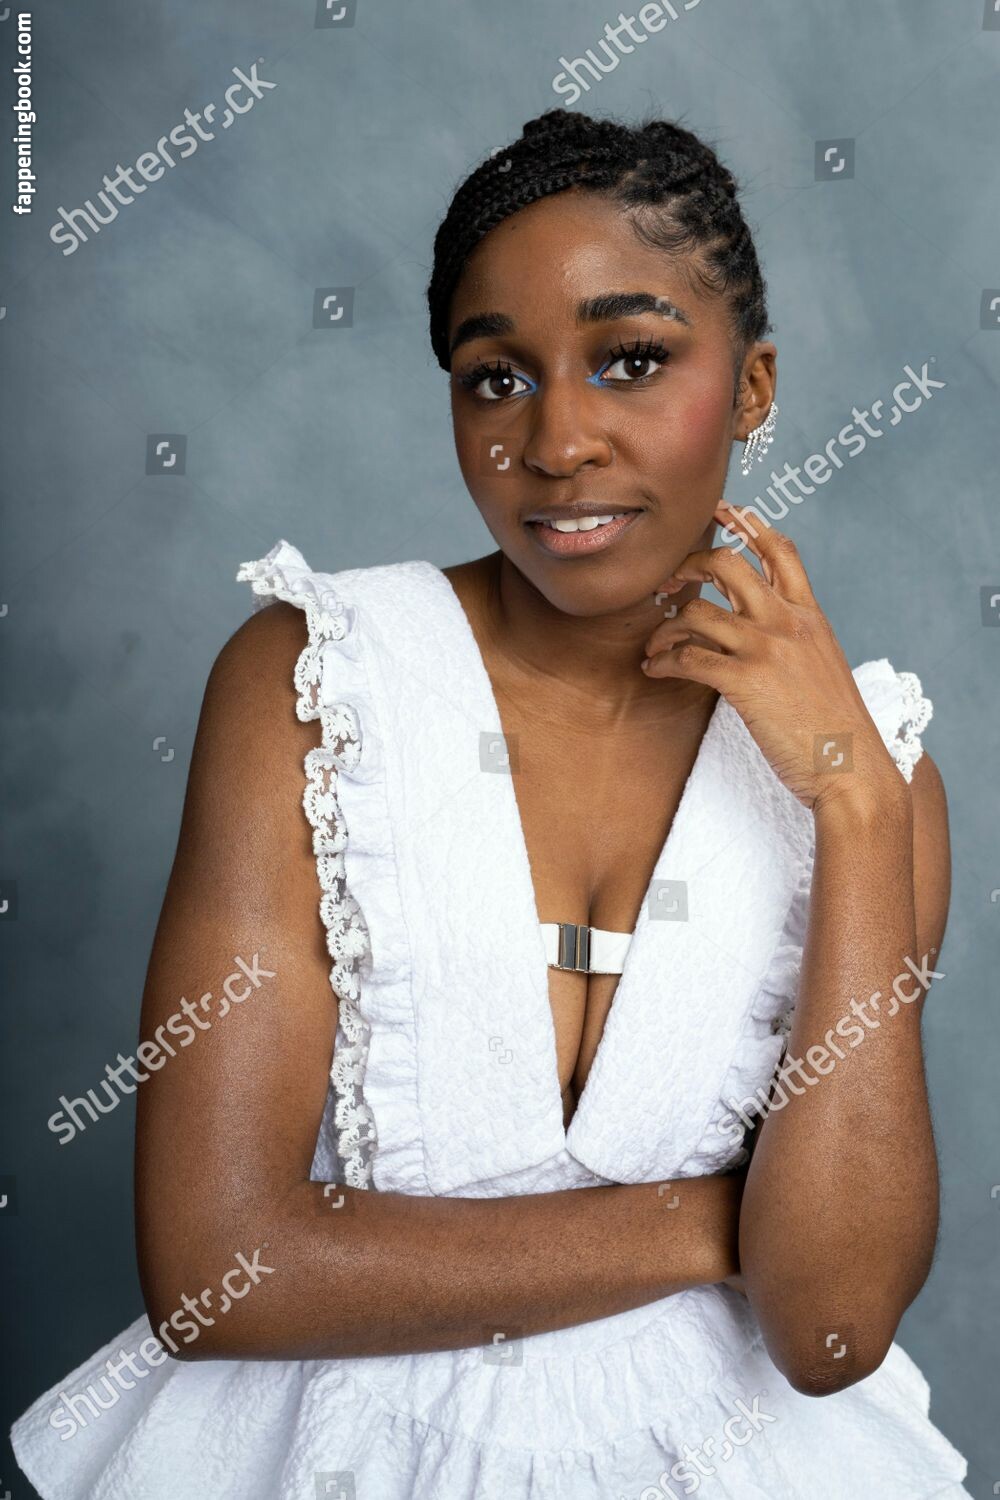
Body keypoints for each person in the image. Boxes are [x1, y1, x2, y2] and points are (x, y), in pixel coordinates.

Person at [11, 108, 971, 1500]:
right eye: (496, 377)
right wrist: (721, 1224)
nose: (559, 440)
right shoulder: (315, 682)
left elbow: (829, 1325)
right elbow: (222, 1268)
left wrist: (854, 803)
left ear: (754, 386)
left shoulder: (877, 781)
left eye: (632, 359)